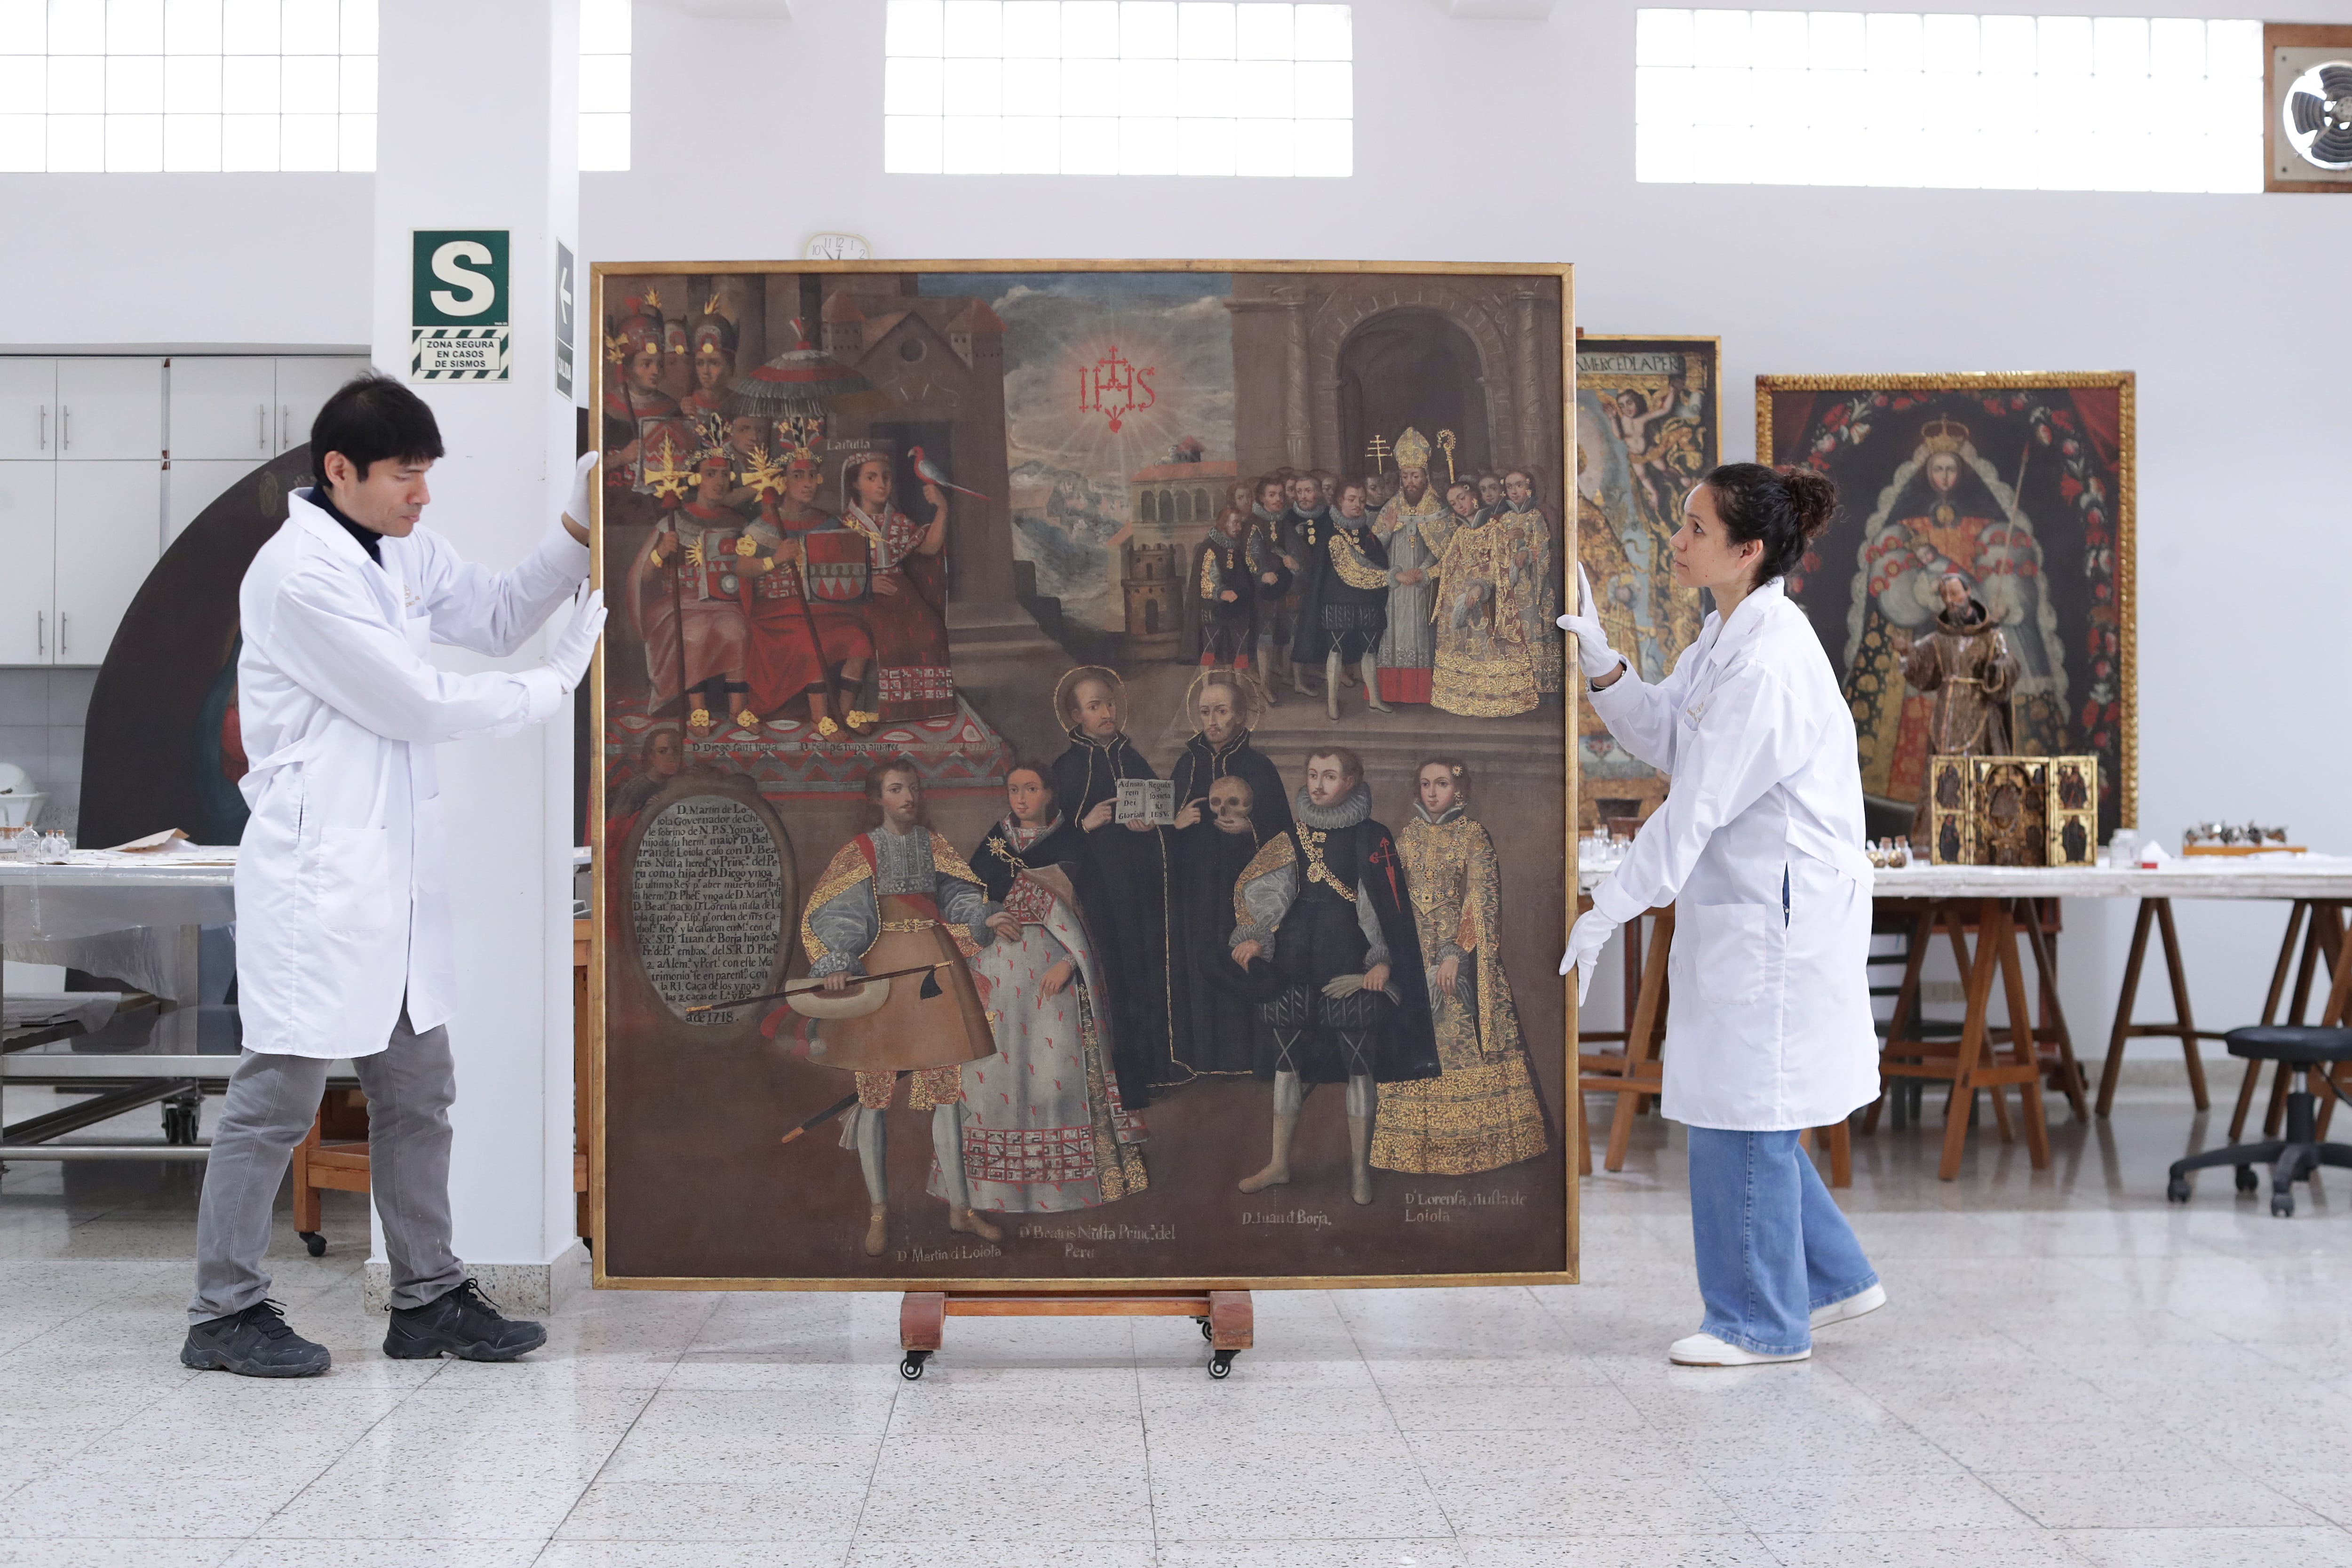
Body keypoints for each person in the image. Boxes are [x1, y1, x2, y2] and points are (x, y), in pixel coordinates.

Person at [181, 375, 607, 1377]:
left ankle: (427, 1299)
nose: (423, 495)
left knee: (420, 1090)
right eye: (405, 476)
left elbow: (499, 613)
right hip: (320, 882)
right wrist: (557, 683)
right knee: (277, 1096)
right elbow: (415, 701)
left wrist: (579, 531)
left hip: (396, 881)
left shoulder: (401, 547)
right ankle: (223, 1311)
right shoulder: (300, 574)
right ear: (341, 471)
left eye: (427, 474)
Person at [1557, 462, 1883, 1368]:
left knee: (1741, 1109)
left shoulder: (1772, 661)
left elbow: (1692, 805)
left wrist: (1606, 907)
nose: (1678, 539)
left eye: (1696, 528)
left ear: (1747, 551)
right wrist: (1602, 657)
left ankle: (1760, 1323)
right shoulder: (1726, 635)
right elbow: (1665, 728)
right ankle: (1834, 1277)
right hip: (1752, 906)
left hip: (1778, 916)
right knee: (1752, 1102)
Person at [796, 757, 1009, 1256]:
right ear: (878, 798)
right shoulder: (861, 851)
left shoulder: (933, 845)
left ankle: (961, 1209)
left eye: (913, 787)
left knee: (946, 1094)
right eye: (896, 789)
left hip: (935, 973)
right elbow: (839, 913)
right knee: (874, 1099)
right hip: (884, 979)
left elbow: (958, 896)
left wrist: (985, 916)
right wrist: (838, 959)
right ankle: (879, 1212)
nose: (908, 797)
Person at [1229, 747, 1439, 1206]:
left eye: (1329, 775)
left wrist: (1382, 961)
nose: (1318, 784)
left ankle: (1359, 1172)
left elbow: (1382, 907)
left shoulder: (1373, 837)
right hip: (1292, 969)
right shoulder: (1291, 834)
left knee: (1359, 1071)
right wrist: (1255, 937)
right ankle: (1280, 1163)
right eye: (1311, 774)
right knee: (1287, 1069)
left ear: (1351, 781)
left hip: (1350, 971)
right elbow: (1268, 893)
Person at [961, 763, 1149, 1211]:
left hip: (1054, 984)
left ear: (1050, 793)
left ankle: (1062, 1187)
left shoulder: (1072, 843)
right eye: (1013, 790)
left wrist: (1070, 962)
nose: (1021, 799)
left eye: (1031, 789)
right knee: (1000, 1078)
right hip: (1002, 982)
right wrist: (986, 914)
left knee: (1053, 1081)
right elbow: (967, 896)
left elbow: (1096, 920)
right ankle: (997, 1190)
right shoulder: (994, 842)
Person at [1372, 759, 1551, 1175]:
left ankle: (1476, 1153)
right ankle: (1414, 1153)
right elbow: (1393, 899)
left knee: (1462, 1046)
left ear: (1460, 788)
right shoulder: (1408, 837)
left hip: (1459, 960)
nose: (1433, 792)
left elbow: (1482, 898)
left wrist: (1456, 952)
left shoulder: (1473, 835)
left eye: (1442, 783)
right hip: (1413, 958)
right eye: (1425, 784)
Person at [1049, 667, 1188, 1105]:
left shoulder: (1132, 758)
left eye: (1109, 704)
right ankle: (1124, 1083)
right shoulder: (1066, 768)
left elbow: (1161, 813)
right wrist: (1083, 824)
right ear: (1076, 715)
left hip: (1142, 885)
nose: (1107, 713)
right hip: (1099, 893)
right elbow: (1048, 840)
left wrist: (1153, 824)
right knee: (1113, 977)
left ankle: (1155, 1067)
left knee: (1147, 970)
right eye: (1095, 707)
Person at [1168, 671, 1291, 1075]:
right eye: (1205, 712)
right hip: (1199, 886)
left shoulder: (1260, 767)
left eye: (1221, 711)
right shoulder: (1187, 766)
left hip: (1248, 885)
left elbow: (1284, 835)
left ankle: (1246, 1059)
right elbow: (1164, 828)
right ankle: (1203, 1059)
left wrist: (1251, 828)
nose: (1212, 720)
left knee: (1241, 958)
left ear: (1240, 716)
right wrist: (1177, 823)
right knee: (1202, 958)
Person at [1893, 571, 2021, 837]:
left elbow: (2010, 665)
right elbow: (1922, 662)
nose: (1950, 601)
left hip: (1982, 716)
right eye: (1945, 596)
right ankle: (1941, 837)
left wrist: (1997, 669)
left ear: (1968, 591)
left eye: (1954, 594)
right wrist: (1908, 653)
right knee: (1945, 777)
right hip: (1947, 718)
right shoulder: (1941, 638)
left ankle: (1985, 835)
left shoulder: (1992, 637)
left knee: (1982, 773)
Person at [837, 450, 956, 723]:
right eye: (872, 477)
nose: (882, 484)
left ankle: (922, 710)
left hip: (901, 592)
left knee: (931, 632)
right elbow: (833, 574)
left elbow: (930, 546)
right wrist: (866, 583)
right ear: (855, 484)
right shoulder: (843, 525)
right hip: (862, 597)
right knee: (888, 637)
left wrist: (942, 509)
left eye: (886, 477)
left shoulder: (900, 522)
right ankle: (874, 711)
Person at [1431, 478, 1539, 717]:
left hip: (1484, 599)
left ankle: (1491, 701)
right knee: (1462, 649)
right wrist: (1419, 574)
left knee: (1486, 647)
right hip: (1458, 599)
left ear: (1473, 497)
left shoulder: (1494, 529)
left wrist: (1480, 587)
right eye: (1453, 503)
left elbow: (1499, 566)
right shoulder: (1460, 532)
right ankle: (1465, 701)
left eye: (1461, 498)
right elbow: (1446, 564)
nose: (1460, 505)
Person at [1290, 478, 1394, 723]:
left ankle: (1375, 699)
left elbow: (1374, 557)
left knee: (1370, 650)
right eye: (1351, 500)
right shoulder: (1330, 530)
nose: (1358, 505)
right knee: (1335, 650)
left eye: (1361, 500)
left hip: (1367, 601)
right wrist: (1392, 576)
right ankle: (1332, 702)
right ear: (1339, 501)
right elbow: (1351, 567)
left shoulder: (1364, 529)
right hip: (1337, 602)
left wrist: (1387, 533)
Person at [1370, 430, 1452, 707]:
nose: (1410, 482)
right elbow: (1374, 550)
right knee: (1394, 635)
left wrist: (1424, 572)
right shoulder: (1391, 507)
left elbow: (1444, 551)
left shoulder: (1437, 509)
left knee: (1422, 636)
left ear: (1426, 476)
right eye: (1405, 477)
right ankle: (1393, 694)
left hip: (1422, 586)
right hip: (1395, 587)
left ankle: (1423, 694)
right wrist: (1387, 532)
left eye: (1415, 476)